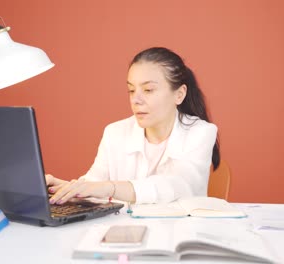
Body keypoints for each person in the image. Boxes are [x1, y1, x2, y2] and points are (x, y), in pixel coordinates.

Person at [47, 47, 220, 205]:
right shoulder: (114, 132)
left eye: (148, 90)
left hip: (179, 233)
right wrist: (64, 188)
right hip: (124, 235)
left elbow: (178, 186)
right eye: (131, 90)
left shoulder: (201, 132)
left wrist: (110, 188)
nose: (135, 100)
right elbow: (94, 184)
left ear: (179, 94)